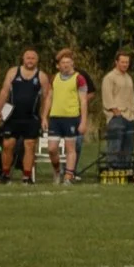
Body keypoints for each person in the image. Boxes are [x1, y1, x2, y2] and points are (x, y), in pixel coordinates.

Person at [44, 48, 92, 184]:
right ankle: (57, 170)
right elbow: (49, 98)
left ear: (72, 64)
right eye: (63, 62)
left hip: (71, 118)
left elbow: (83, 101)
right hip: (55, 118)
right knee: (52, 149)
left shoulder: (79, 78)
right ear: (59, 65)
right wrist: (44, 117)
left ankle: (68, 177)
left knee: (71, 148)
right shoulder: (54, 77)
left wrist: (83, 122)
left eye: (68, 62)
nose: (65, 65)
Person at [0, 48, 46, 184]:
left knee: (30, 145)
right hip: (12, 116)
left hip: (31, 118)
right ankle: (6, 174)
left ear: (37, 60)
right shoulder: (13, 72)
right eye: (28, 58)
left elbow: (47, 97)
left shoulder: (41, 76)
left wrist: (44, 116)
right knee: (8, 144)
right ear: (23, 59)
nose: (30, 60)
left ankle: (26, 176)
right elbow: (4, 92)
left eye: (33, 58)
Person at [102, 50, 134, 175]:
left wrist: (133, 112)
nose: (125, 64)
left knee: (128, 146)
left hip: (130, 116)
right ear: (116, 62)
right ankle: (113, 170)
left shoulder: (128, 77)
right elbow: (107, 96)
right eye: (122, 62)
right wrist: (115, 111)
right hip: (117, 116)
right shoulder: (110, 77)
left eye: (127, 62)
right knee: (115, 145)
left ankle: (125, 170)